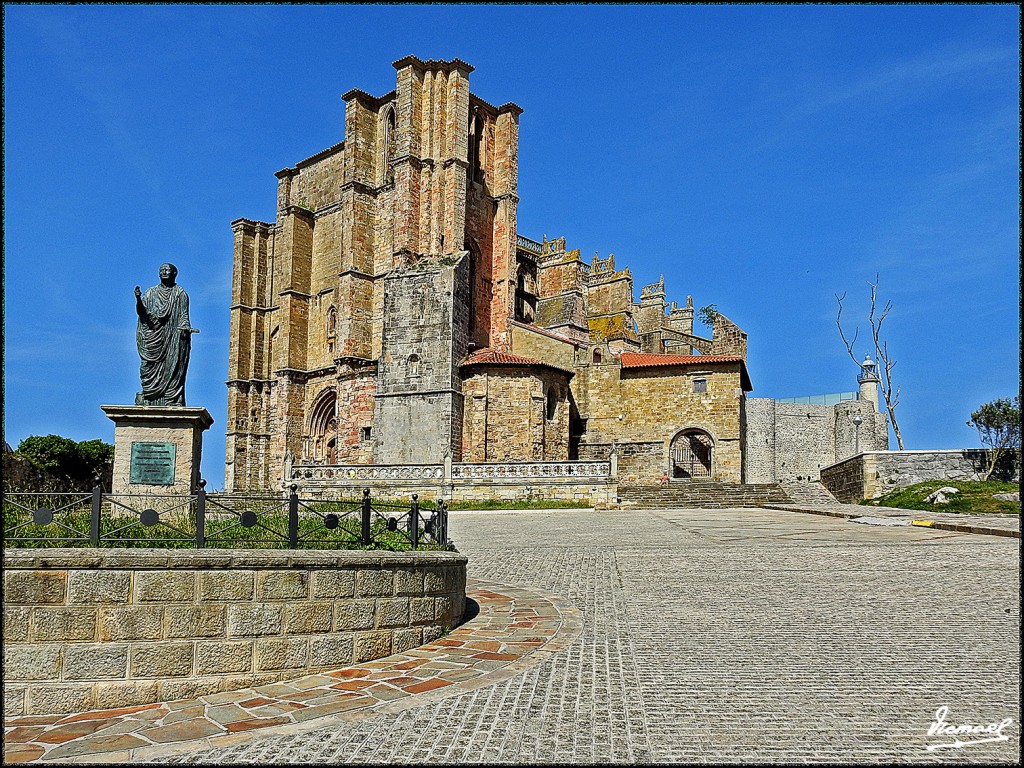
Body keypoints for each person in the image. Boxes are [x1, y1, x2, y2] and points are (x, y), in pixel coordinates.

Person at [135, 263, 196, 406]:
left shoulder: (180, 294)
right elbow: (142, 313)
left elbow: (184, 316)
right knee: (148, 366)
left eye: (167, 270)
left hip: (173, 337)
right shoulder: (150, 293)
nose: (163, 272)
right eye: (161, 270)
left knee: (173, 366)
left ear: (174, 273)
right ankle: (149, 396)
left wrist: (185, 327)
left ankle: (171, 398)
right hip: (154, 335)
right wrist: (138, 299)